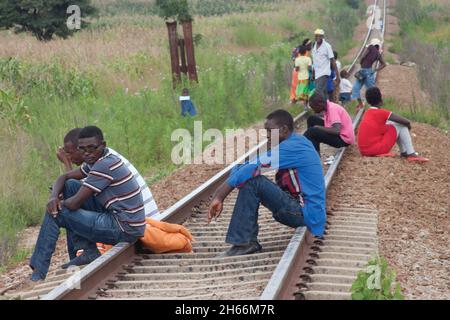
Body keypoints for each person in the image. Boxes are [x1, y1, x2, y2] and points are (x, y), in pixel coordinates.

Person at [29, 126, 146, 281]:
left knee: (56, 213)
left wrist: (58, 204)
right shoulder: (98, 159)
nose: (87, 153)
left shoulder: (103, 165)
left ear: (103, 145)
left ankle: (38, 272)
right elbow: (64, 177)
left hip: (124, 228)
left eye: (92, 148)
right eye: (82, 149)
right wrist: (53, 197)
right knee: (70, 185)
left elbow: (74, 204)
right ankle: (88, 251)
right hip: (121, 220)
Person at [208, 110, 326, 257]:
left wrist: (219, 195)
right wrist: (236, 173)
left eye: (270, 131)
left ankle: (245, 243)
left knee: (253, 182)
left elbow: (252, 168)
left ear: (283, 129)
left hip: (306, 214)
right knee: (248, 175)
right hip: (304, 210)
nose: (268, 136)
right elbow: (248, 165)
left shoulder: (292, 148)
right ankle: (245, 241)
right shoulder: (296, 142)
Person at [57, 128, 160, 260]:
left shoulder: (102, 163)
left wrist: (66, 164)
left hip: (136, 225)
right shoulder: (104, 155)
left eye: (69, 153)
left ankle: (77, 256)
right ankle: (81, 254)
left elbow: (77, 198)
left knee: (70, 212)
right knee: (71, 201)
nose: (69, 158)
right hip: (137, 221)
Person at [357, 87, 429, 163]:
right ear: (381, 101)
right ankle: (411, 153)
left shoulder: (367, 113)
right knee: (401, 125)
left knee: (391, 124)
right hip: (376, 150)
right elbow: (406, 122)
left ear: (368, 101)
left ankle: (404, 152)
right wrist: (408, 127)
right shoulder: (382, 113)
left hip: (364, 151)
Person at [352, 38, 386, 110]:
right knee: (373, 91)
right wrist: (375, 70)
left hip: (362, 71)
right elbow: (384, 64)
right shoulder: (378, 53)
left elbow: (363, 56)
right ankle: (378, 105)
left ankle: (360, 104)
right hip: (369, 72)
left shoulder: (370, 47)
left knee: (355, 88)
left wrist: (361, 62)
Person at [311, 29, 340, 100]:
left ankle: (322, 108)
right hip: (317, 74)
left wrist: (337, 76)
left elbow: (332, 60)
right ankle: (326, 107)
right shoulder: (314, 46)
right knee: (323, 93)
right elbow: (315, 61)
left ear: (322, 37)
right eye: (316, 36)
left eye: (320, 36)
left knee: (318, 92)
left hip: (324, 73)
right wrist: (313, 73)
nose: (318, 37)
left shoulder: (327, 46)